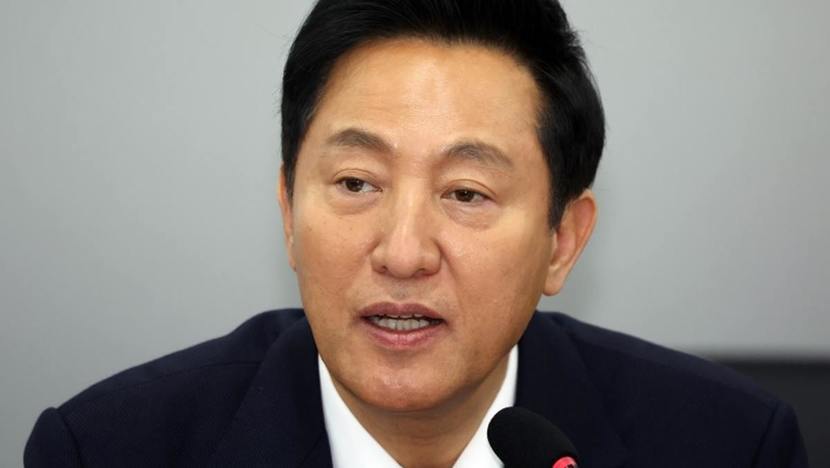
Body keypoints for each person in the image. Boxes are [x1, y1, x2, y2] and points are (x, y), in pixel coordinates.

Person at [25, 0, 808, 467]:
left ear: (563, 241)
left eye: (466, 193)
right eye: (356, 184)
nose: (402, 253)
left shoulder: (730, 446)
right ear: (289, 213)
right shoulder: (106, 450)